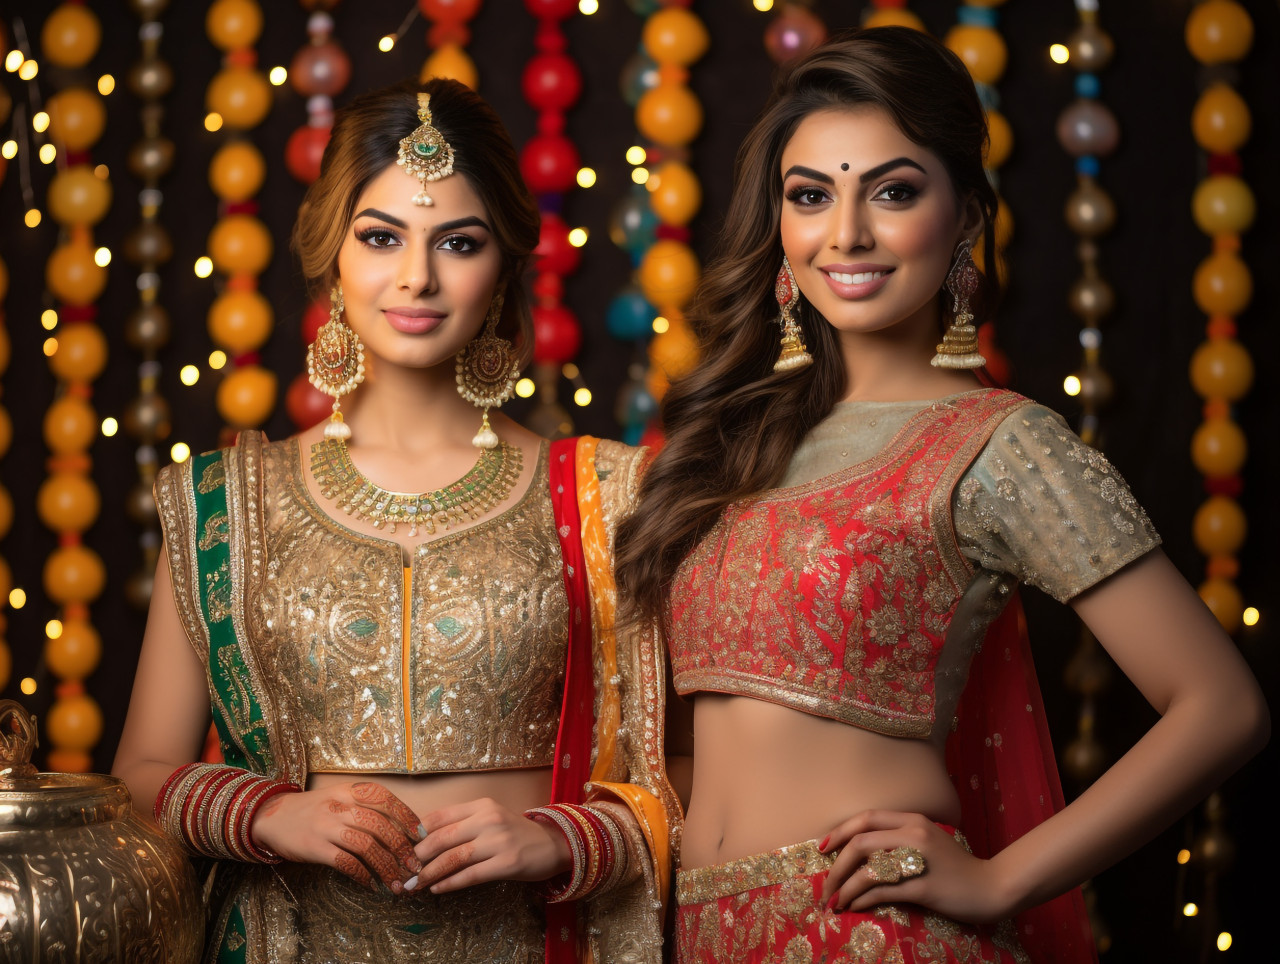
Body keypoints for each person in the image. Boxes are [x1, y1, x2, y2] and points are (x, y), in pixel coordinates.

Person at [614, 27, 1268, 964]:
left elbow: (1222, 705)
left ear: (963, 216)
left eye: (892, 191)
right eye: (811, 196)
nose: (847, 233)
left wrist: (1002, 878)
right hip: (695, 935)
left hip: (871, 935)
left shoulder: (1001, 443)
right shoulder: (724, 450)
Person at [112, 77, 680, 964]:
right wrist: (274, 815)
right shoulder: (223, 500)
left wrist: (562, 840)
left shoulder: (612, 494)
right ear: (333, 255)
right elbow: (137, 777)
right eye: (381, 238)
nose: (417, 276)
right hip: (288, 939)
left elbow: (693, 784)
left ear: (502, 268)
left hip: (533, 940)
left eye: (458, 241)